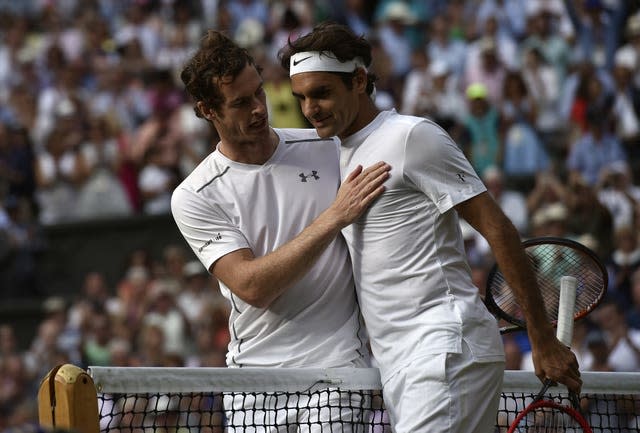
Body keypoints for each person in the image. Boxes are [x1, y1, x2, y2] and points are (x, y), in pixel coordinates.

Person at [279, 22, 582, 433]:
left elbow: (497, 228)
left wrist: (541, 337)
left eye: (321, 93)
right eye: (301, 97)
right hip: (403, 365)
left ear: (359, 80)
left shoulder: (411, 136)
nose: (310, 107)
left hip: (443, 349)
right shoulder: (338, 151)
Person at [170, 30, 390, 430]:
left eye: (259, 93)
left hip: (338, 370)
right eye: (240, 103)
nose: (258, 109)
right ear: (207, 110)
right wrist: (333, 217)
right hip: (254, 382)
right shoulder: (194, 195)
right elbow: (253, 287)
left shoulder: (327, 148)